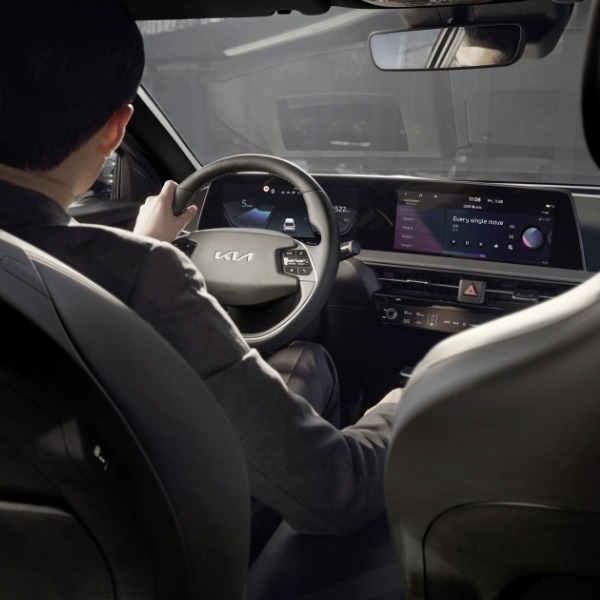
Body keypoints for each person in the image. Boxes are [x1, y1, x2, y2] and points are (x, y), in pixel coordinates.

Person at [0, 0, 402, 550]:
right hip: (143, 553)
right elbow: (334, 491)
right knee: (309, 361)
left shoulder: (121, 266)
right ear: (116, 130)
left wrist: (139, 247)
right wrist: (410, 402)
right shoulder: (141, 276)